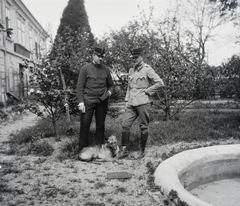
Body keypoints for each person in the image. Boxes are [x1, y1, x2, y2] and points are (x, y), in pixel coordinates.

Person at [119, 47, 165, 159]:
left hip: (143, 102)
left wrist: (148, 91)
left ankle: (142, 151)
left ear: (141, 57)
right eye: (133, 58)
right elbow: (129, 88)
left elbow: (160, 83)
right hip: (131, 103)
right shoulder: (131, 70)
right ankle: (124, 150)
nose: (134, 59)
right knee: (125, 125)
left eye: (136, 57)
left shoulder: (147, 69)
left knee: (143, 127)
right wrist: (126, 102)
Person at [77, 46, 114, 151]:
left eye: (102, 56)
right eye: (98, 56)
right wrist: (81, 103)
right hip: (88, 101)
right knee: (85, 125)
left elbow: (111, 85)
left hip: (102, 101)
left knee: (100, 126)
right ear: (93, 55)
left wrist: (109, 93)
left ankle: (99, 150)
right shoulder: (85, 69)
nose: (100, 58)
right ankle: (83, 150)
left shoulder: (106, 70)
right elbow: (80, 87)